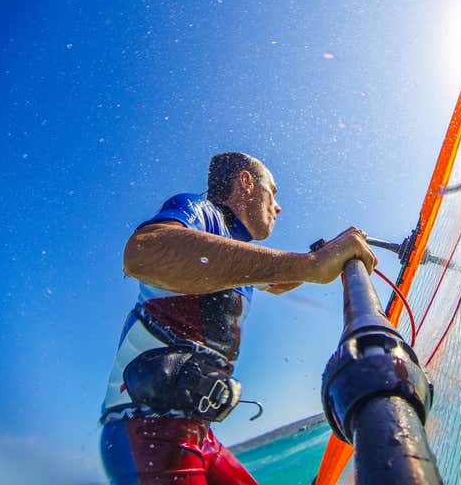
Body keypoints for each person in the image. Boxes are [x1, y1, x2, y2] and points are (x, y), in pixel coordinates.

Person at [99, 152, 377, 485]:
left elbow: (281, 280)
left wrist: (330, 253)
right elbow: (143, 252)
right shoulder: (201, 214)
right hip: (145, 429)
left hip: (198, 434)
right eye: (272, 192)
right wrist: (311, 263)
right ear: (246, 182)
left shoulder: (236, 254)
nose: (278, 206)